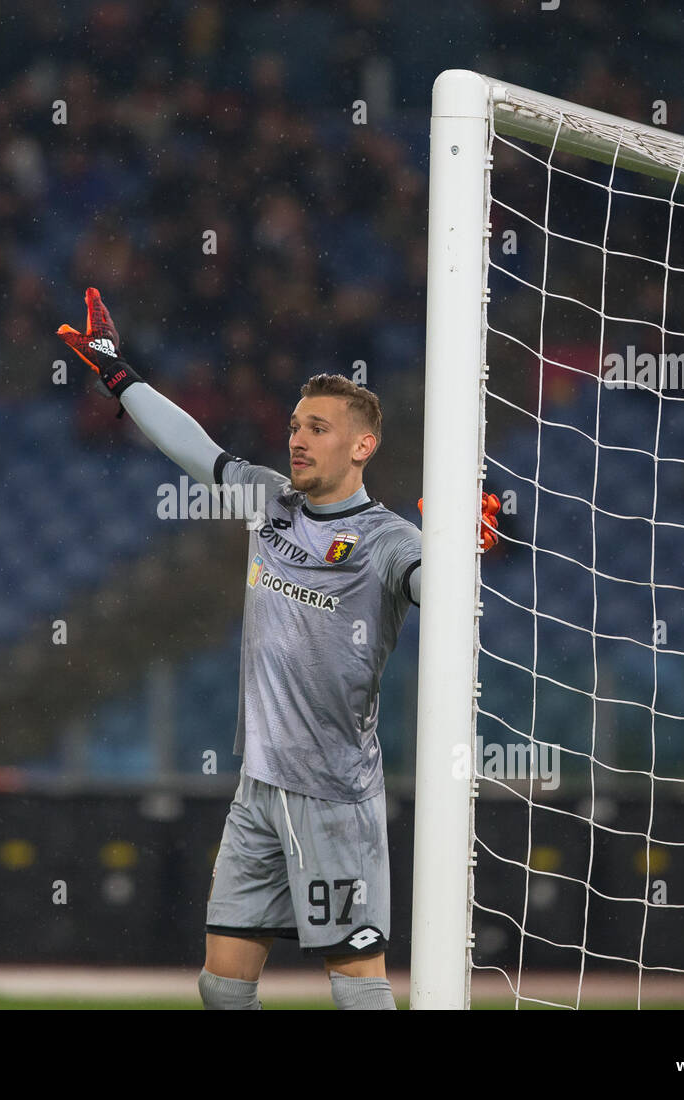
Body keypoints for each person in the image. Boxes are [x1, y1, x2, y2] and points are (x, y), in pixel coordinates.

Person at [57, 288, 497, 1010]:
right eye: (295, 425)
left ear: (362, 446)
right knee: (223, 986)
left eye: (318, 428)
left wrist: (462, 557)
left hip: (333, 797)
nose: (297, 438)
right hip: (258, 789)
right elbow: (193, 447)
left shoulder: (391, 542)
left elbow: (441, 598)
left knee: (357, 988)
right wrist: (117, 374)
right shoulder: (268, 503)